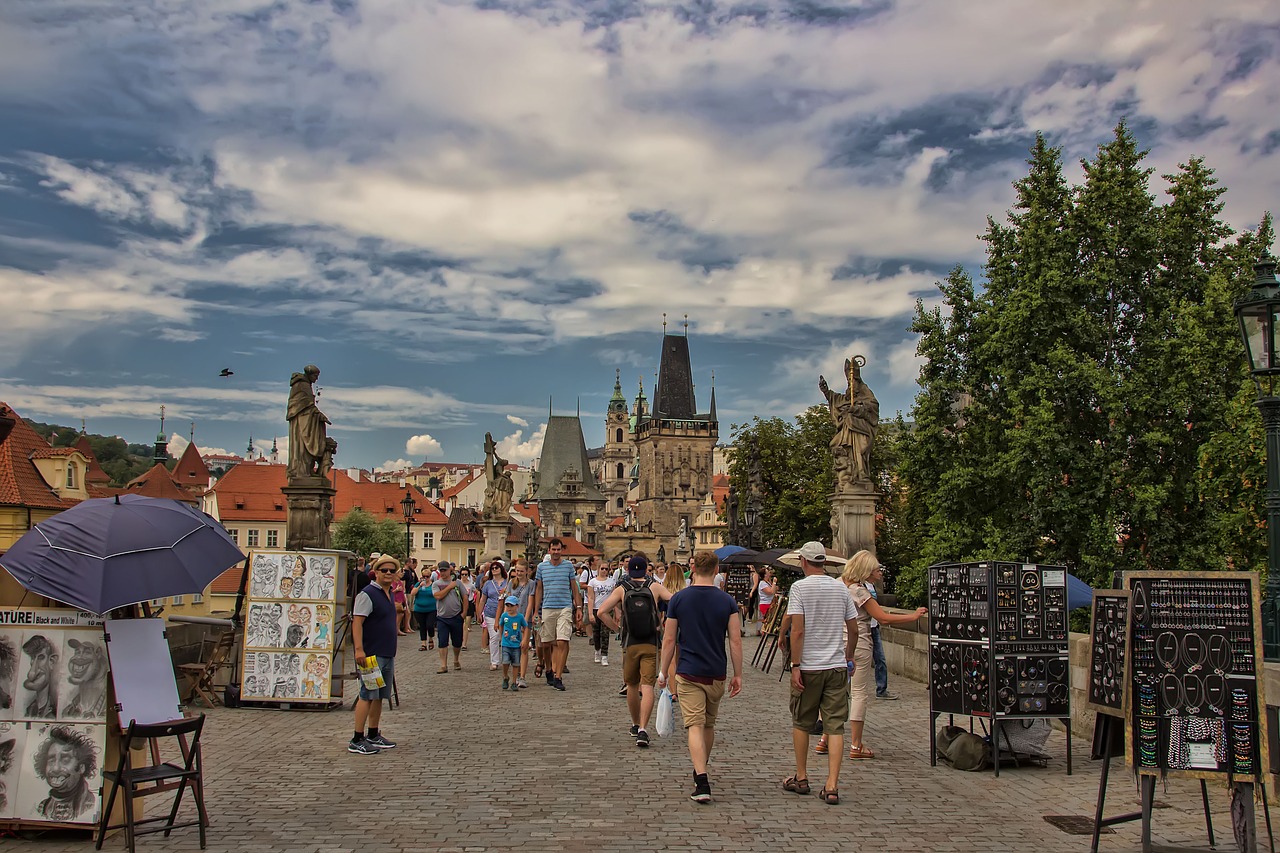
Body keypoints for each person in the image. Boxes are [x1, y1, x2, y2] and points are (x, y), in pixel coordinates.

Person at [816, 551, 927, 759]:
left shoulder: (836, 584)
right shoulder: (859, 592)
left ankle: (825, 738)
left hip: (836, 644)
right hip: (858, 644)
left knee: (834, 691)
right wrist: (912, 616)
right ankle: (856, 745)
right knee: (858, 693)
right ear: (865, 570)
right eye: (876, 570)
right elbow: (883, 618)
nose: (879, 574)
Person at [657, 551, 742, 804]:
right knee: (708, 724)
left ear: (693, 569)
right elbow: (735, 641)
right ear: (716, 570)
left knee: (694, 725)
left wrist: (663, 672)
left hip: (688, 670)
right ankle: (700, 768)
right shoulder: (727, 601)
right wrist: (738, 674)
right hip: (716, 671)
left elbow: (669, 639)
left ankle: (701, 779)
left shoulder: (679, 599)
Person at [782, 542, 858, 805]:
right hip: (836, 666)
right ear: (823, 562)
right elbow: (854, 628)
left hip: (809, 666)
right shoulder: (840, 586)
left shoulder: (799, 588)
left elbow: (798, 631)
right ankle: (832, 784)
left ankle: (801, 777)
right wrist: (848, 656)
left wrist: (795, 665)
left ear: (803, 561)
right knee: (835, 725)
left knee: (802, 721)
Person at [596, 553, 672, 747]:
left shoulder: (622, 589)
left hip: (630, 642)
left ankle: (635, 723)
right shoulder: (654, 586)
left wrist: (618, 629)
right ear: (646, 570)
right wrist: (667, 622)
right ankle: (644, 729)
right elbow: (676, 601)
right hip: (650, 642)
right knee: (647, 686)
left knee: (631, 685)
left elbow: (601, 612)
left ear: (628, 571)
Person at [348, 554, 401, 755]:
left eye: (391, 571)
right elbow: (358, 622)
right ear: (376, 572)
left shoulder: (388, 593)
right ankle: (357, 737)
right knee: (367, 695)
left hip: (386, 651)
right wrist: (359, 649)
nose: (388, 574)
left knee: (379, 695)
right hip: (371, 653)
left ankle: (373, 733)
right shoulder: (368, 593)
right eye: (384, 570)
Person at [535, 538, 580, 690]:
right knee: (546, 643)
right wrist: (536, 611)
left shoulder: (568, 566)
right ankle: (548, 668)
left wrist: (578, 607)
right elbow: (539, 589)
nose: (556, 552)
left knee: (562, 640)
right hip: (548, 606)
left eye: (558, 549)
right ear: (549, 550)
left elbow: (574, 587)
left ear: (562, 550)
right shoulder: (542, 567)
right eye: (553, 549)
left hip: (564, 607)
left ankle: (558, 676)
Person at [505, 559, 536, 688]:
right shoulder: (512, 583)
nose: (519, 573)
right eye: (517, 570)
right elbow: (507, 601)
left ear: (527, 571)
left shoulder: (531, 584)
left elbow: (530, 603)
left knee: (523, 648)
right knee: (513, 648)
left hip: (524, 619)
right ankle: (515, 675)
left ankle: (522, 677)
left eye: (521, 571)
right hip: (511, 620)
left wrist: (525, 620)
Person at [433, 562, 467, 673]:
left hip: (456, 616)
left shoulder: (458, 583)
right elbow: (438, 596)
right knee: (442, 641)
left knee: (457, 642)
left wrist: (464, 613)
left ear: (449, 570)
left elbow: (465, 597)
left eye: (444, 570)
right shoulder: (436, 584)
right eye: (441, 570)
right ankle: (443, 665)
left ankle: (456, 660)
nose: (443, 573)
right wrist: (449, 587)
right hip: (442, 617)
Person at [477, 561, 508, 671]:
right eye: (493, 568)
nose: (494, 569)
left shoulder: (507, 582)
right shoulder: (488, 584)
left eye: (497, 567)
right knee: (494, 637)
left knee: (505, 637)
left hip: (506, 613)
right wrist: (479, 613)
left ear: (501, 569)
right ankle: (494, 661)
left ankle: (507, 659)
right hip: (490, 613)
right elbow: (482, 599)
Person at [587, 558, 617, 665]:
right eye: (602, 568)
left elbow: (614, 597)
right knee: (596, 632)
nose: (604, 571)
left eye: (606, 569)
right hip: (596, 608)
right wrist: (590, 613)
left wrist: (617, 612)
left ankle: (605, 655)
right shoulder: (593, 582)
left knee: (605, 633)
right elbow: (590, 598)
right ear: (599, 569)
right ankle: (597, 651)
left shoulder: (611, 581)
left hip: (607, 610)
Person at [497, 596, 528, 691]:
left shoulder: (520, 617)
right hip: (506, 643)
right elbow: (501, 625)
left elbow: (526, 627)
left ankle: (514, 682)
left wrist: (524, 639)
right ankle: (505, 676)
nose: (509, 608)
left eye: (511, 606)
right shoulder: (504, 616)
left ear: (517, 606)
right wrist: (501, 636)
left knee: (516, 664)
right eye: (507, 606)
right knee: (505, 662)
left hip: (516, 644)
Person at [411, 562, 442, 651]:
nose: (425, 578)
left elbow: (437, 594)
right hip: (419, 609)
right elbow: (413, 593)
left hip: (431, 609)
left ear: (430, 577)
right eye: (423, 576)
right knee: (422, 626)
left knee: (430, 625)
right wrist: (419, 586)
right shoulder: (418, 584)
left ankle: (431, 638)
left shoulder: (433, 585)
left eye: (427, 576)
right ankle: (423, 643)